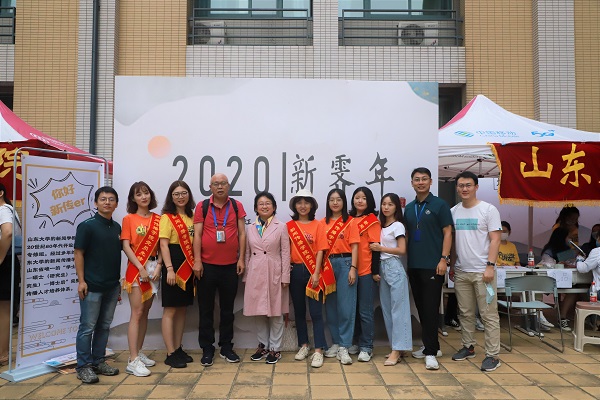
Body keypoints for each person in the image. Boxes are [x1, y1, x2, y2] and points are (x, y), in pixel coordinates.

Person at [450, 171, 502, 372]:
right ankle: (468, 346)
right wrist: (453, 265)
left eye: (468, 185)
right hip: (461, 271)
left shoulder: (488, 210)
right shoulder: (454, 211)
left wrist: (490, 266)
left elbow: (495, 240)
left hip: (483, 272)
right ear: (457, 188)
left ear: (476, 187)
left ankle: (492, 355)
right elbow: (454, 242)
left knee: (489, 314)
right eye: (461, 185)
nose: (464, 189)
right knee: (465, 313)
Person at [193, 173, 247, 366]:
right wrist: (197, 261)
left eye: (223, 183)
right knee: (205, 309)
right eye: (216, 184)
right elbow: (197, 235)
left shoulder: (236, 206)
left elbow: (242, 234)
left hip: (230, 266)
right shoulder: (202, 206)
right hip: (206, 266)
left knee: (227, 310)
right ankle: (207, 348)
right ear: (210, 187)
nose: (220, 187)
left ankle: (226, 347)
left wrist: (241, 259)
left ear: (228, 185)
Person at [405, 167, 452, 371]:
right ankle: (431, 345)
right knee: (422, 308)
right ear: (412, 183)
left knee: (431, 309)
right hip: (414, 265)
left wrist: (444, 259)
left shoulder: (440, 205)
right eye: (417, 179)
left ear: (431, 182)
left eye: (424, 179)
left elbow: (448, 233)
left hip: (434, 266)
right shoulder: (409, 208)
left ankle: (431, 353)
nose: (421, 182)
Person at [74, 186, 122, 384]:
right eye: (103, 199)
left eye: (111, 199)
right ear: (95, 203)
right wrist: (81, 281)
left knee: (104, 326)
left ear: (116, 204)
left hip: (112, 286)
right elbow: (78, 253)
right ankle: (83, 366)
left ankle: (98, 361)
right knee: (87, 327)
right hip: (92, 286)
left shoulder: (117, 227)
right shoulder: (87, 226)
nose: (107, 202)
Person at [287, 189, 333, 368]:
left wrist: (316, 272)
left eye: (306, 202)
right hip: (295, 271)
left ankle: (319, 350)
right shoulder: (289, 226)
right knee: (299, 311)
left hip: (313, 272)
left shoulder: (318, 225)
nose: (303, 206)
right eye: (299, 202)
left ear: (312, 205)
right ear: (295, 206)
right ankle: (304, 345)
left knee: (316, 313)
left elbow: (321, 249)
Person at [244, 192, 290, 364]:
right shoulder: (250, 227)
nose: (264, 206)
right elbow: (247, 253)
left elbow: (285, 253)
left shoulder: (281, 226)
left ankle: (275, 348)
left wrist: (285, 276)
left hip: (274, 271)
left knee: (276, 312)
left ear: (274, 206)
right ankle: (262, 345)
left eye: (268, 203)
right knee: (258, 312)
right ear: (256, 208)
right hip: (255, 272)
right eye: (261, 203)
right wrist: (246, 276)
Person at [121, 182, 161, 376]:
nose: (143, 197)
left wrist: (159, 265)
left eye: (146, 193)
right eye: (139, 194)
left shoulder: (158, 219)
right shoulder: (129, 219)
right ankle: (133, 359)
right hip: (137, 269)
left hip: (154, 268)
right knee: (136, 313)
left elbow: (163, 245)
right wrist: (140, 268)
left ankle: (138, 351)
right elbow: (126, 246)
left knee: (145, 312)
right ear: (133, 198)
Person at [369, 193, 411, 366]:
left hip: (394, 266)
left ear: (396, 207)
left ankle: (398, 349)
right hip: (382, 268)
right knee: (387, 309)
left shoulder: (398, 225)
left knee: (398, 310)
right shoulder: (380, 225)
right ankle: (396, 347)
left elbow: (402, 250)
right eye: (384, 204)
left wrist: (381, 248)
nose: (386, 207)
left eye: (390, 204)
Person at [159, 180, 196, 368]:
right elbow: (163, 245)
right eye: (176, 194)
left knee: (182, 308)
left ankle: (178, 347)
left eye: (184, 193)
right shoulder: (167, 218)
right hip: (173, 265)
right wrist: (169, 269)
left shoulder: (192, 216)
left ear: (189, 195)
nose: (180, 197)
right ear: (171, 197)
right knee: (170, 309)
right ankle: (170, 352)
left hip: (188, 266)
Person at [322, 189, 359, 365]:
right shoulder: (322, 223)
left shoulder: (350, 222)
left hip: (346, 264)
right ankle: (336, 342)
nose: (335, 203)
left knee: (346, 306)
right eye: (332, 200)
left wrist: (353, 268)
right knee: (330, 306)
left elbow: (355, 247)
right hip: (328, 265)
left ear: (344, 202)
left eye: (338, 200)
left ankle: (345, 345)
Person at [348, 187, 381, 362]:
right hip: (349, 271)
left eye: (363, 198)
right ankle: (356, 342)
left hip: (366, 271)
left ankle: (367, 346)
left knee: (365, 311)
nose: (360, 201)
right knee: (352, 310)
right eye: (357, 197)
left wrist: (375, 271)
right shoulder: (348, 219)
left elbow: (375, 248)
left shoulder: (372, 221)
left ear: (369, 201)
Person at [539, 226, 578, 331]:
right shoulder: (549, 251)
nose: (570, 240)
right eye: (568, 237)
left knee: (574, 291)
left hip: (566, 279)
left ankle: (562, 318)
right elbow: (547, 265)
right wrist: (559, 264)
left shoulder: (568, 250)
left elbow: (573, 262)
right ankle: (539, 317)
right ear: (562, 237)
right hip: (549, 280)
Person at [0, 182, 21, 367]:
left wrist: (0, 257)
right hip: (8, 260)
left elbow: (7, 233)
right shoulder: (10, 209)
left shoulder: (3, 209)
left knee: (4, 310)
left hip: (5, 262)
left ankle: (3, 354)